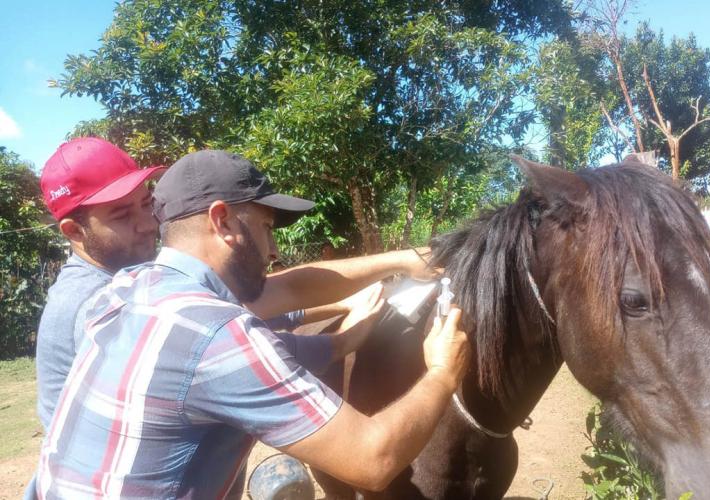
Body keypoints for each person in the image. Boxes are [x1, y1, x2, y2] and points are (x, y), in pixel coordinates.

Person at [36, 150, 470, 499]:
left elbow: (290, 290)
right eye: (266, 227)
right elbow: (373, 460)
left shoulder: (129, 287)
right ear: (222, 222)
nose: (275, 249)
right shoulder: (217, 336)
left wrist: (399, 263)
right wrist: (442, 372)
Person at [35, 137, 165, 431]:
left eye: (146, 204)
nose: (149, 225)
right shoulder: (96, 301)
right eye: (122, 215)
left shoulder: (123, 277)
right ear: (74, 231)